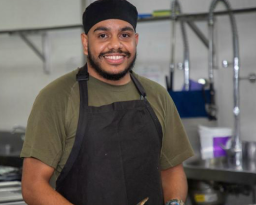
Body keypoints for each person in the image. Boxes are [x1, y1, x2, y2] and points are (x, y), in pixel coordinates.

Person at [20, 0, 194, 205]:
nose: (115, 45)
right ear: (86, 43)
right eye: (103, 35)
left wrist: (174, 203)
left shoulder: (157, 95)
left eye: (125, 35)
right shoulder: (57, 97)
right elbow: (33, 186)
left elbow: (172, 170)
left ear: (135, 40)